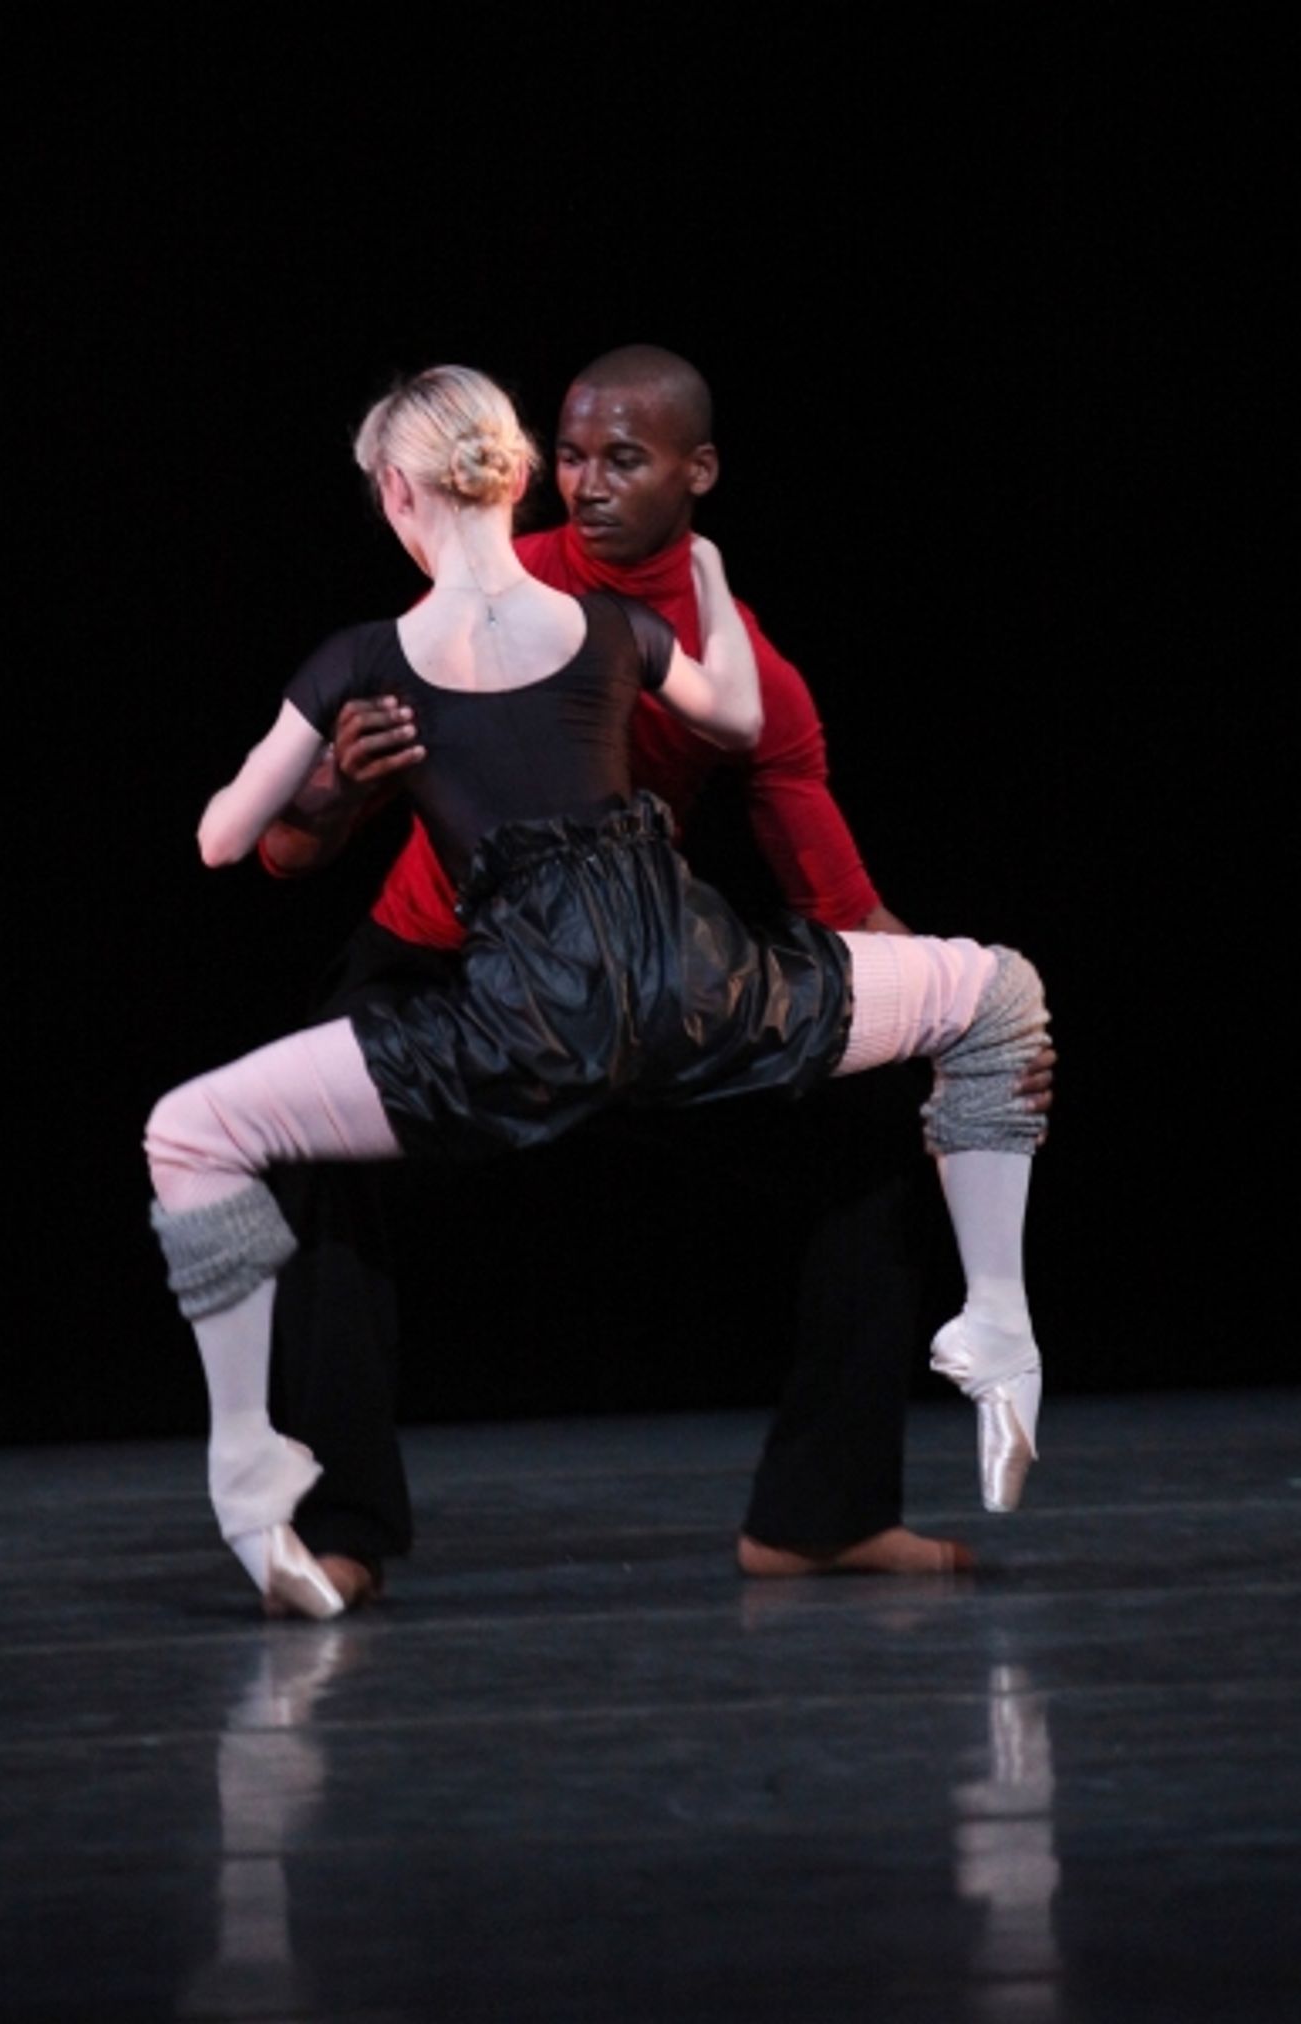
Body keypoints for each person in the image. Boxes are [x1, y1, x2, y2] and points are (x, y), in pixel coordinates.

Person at [145, 364, 1051, 1621]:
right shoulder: (481, 589)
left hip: (637, 978)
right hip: (438, 964)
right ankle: (334, 1529)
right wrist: (344, 783)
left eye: (624, 459)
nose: (588, 485)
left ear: (699, 473)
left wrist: (964, 1042)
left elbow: (836, 897)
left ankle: (820, 1512)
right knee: (304, 1167)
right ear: (527, 465)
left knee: (872, 1142)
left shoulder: (730, 669)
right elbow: (283, 851)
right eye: (570, 456)